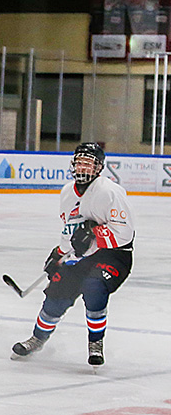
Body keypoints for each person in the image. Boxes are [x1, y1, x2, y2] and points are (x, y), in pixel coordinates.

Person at [12, 143, 134, 367]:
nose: (83, 167)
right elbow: (72, 232)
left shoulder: (109, 192)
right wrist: (58, 255)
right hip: (84, 255)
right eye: (80, 162)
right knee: (57, 294)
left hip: (114, 255)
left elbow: (125, 233)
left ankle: (95, 343)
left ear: (99, 168)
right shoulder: (68, 192)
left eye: (88, 163)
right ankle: (37, 340)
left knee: (94, 287)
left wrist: (94, 231)